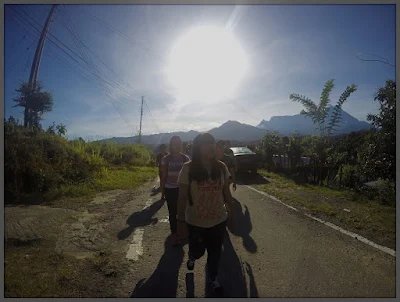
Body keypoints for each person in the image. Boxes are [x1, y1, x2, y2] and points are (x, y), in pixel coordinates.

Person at [176, 133, 236, 292]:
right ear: (197, 147)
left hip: (219, 220)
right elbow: (181, 197)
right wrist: (180, 222)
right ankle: (192, 256)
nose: (210, 146)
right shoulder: (188, 168)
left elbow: (226, 193)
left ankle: (213, 279)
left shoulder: (221, 167)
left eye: (212, 143)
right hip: (196, 222)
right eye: (205, 143)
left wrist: (232, 214)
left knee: (215, 254)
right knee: (198, 251)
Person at [160, 136, 190, 246]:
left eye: (178, 143)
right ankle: (175, 233)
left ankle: (184, 230)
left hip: (182, 189)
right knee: (172, 213)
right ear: (171, 145)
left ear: (181, 145)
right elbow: (163, 176)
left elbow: (189, 176)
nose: (176, 146)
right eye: (174, 143)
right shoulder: (165, 159)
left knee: (183, 211)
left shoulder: (185, 158)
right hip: (170, 189)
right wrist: (162, 193)